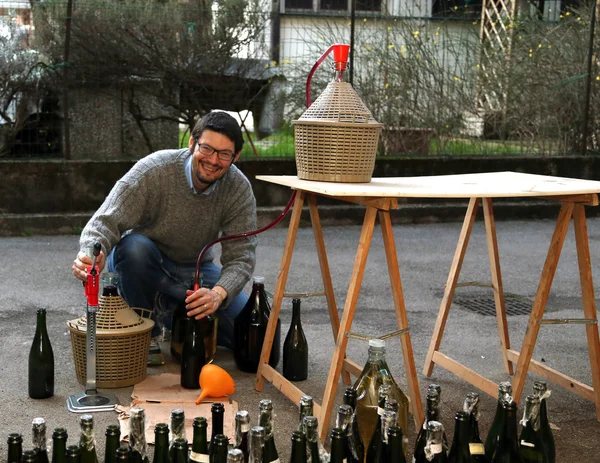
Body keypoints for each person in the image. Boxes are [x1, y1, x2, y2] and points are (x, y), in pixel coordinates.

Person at [72, 111, 257, 349]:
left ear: (236, 156)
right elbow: (105, 221)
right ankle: (146, 329)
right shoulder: (155, 170)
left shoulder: (238, 189)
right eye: (207, 148)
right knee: (134, 248)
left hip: (196, 271)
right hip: (147, 264)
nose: (213, 160)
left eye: (224, 154)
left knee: (256, 339)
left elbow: (242, 256)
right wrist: (90, 255)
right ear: (192, 142)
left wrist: (218, 294)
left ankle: (171, 313)